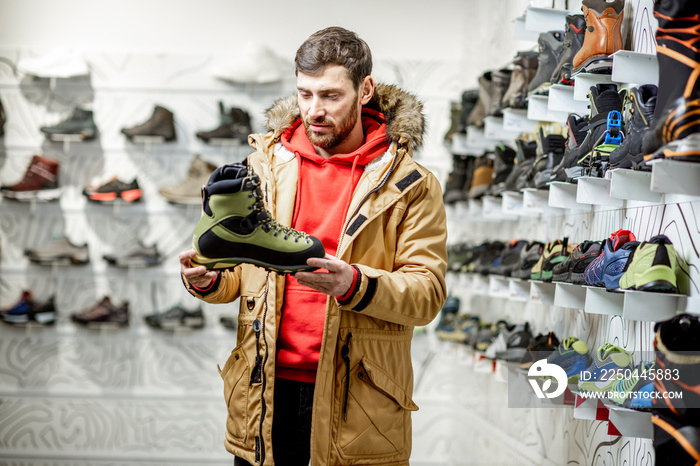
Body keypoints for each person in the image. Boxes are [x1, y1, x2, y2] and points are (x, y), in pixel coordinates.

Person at [179, 26, 447, 466]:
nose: (313, 111)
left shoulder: (411, 184)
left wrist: (353, 284)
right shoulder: (262, 167)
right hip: (263, 393)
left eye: (329, 96)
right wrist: (208, 280)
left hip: (359, 401)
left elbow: (426, 294)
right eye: (304, 94)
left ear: (365, 90)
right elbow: (239, 277)